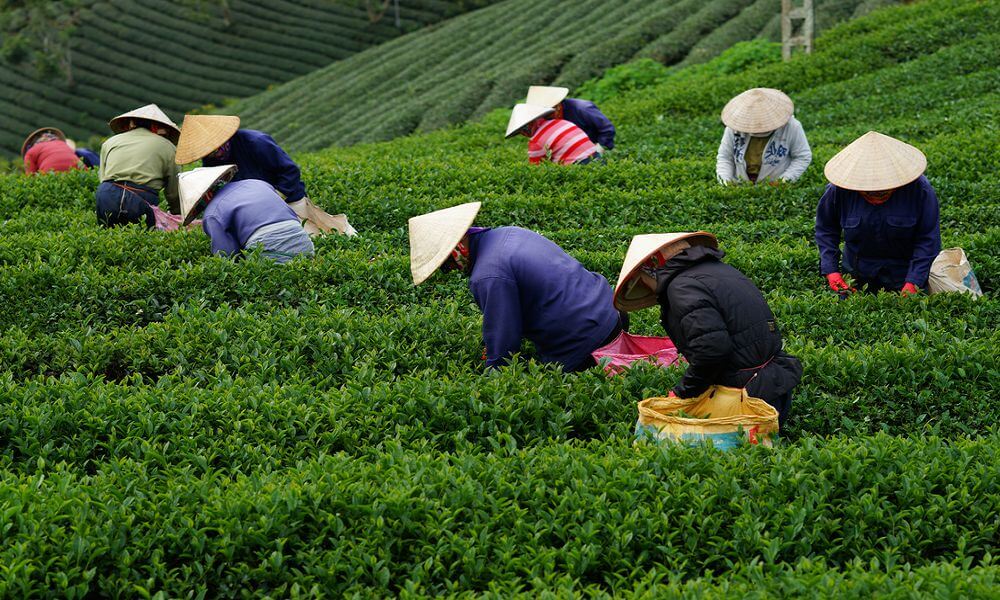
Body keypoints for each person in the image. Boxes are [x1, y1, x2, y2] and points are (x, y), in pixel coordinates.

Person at [409, 202, 625, 371]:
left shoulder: (487, 274)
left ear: (456, 249)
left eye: (446, 265)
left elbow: (504, 338)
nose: (453, 270)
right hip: (613, 312)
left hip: (586, 341)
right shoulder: (509, 232)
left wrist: (493, 379)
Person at [613, 232, 802, 426]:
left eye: (643, 279)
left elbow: (711, 350)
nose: (649, 288)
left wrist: (682, 393)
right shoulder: (719, 270)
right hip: (774, 388)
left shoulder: (682, 287)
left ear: (653, 267)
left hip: (745, 397)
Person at [174, 114, 355, 236]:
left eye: (214, 147)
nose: (213, 153)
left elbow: (289, 171)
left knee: (312, 238)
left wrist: (276, 197)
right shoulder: (210, 160)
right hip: (253, 210)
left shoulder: (256, 142)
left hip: (289, 200)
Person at [815, 131, 941, 295]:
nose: (876, 198)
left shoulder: (920, 190)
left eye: (883, 193)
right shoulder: (838, 191)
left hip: (904, 274)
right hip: (856, 275)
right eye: (868, 193)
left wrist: (914, 282)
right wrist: (832, 271)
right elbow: (826, 229)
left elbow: (928, 240)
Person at [179, 165, 314, 263]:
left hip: (268, 245)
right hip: (301, 237)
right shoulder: (256, 183)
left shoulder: (212, 213)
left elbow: (226, 255)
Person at [96, 104, 181, 228]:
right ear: (156, 126)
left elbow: (103, 177)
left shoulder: (110, 142)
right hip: (141, 198)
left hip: (106, 195)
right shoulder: (167, 146)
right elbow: (174, 191)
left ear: (132, 123)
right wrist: (176, 213)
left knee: (108, 237)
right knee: (141, 241)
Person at [715, 88, 811, 185]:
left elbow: (802, 157)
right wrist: (726, 182)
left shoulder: (791, 127)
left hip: (776, 186)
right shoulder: (734, 127)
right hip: (742, 184)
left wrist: (783, 181)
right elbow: (725, 157)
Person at [506, 104, 601, 165]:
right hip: (598, 158)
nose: (524, 133)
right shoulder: (561, 122)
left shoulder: (536, 141)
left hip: (581, 166)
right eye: (521, 132)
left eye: (524, 129)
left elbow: (537, 170)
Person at [526, 86, 616, 151]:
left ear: (558, 106)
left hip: (597, 149)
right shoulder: (544, 119)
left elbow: (607, 129)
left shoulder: (583, 108)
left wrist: (599, 148)